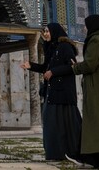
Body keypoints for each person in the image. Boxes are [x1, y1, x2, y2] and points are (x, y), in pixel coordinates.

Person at [56, 14, 99, 169]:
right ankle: (94, 158)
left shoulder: (96, 40)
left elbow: (90, 65)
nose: (84, 28)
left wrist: (74, 67)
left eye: (86, 25)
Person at [22, 23, 82, 161]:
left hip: (63, 94)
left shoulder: (65, 47)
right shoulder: (53, 48)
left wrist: (53, 72)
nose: (46, 34)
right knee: (52, 125)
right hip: (54, 92)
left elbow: (72, 67)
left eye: (48, 31)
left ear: (55, 32)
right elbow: (45, 68)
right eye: (45, 31)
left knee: (67, 125)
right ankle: (57, 154)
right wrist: (31, 66)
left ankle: (71, 152)